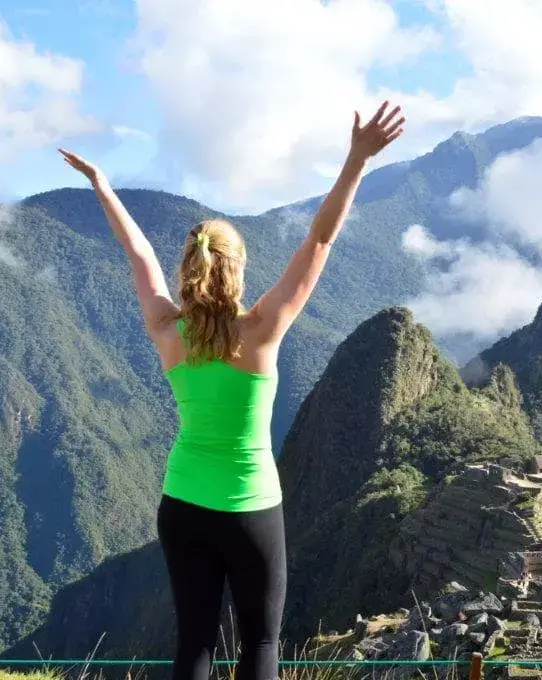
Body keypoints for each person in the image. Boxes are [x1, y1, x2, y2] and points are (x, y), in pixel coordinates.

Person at [58, 101, 405, 680]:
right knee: (260, 646)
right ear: (239, 269)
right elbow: (319, 242)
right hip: (251, 509)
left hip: (183, 503)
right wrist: (356, 161)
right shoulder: (263, 330)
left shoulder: (167, 330)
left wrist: (101, 184)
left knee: (194, 643)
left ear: (188, 269)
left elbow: (138, 254)